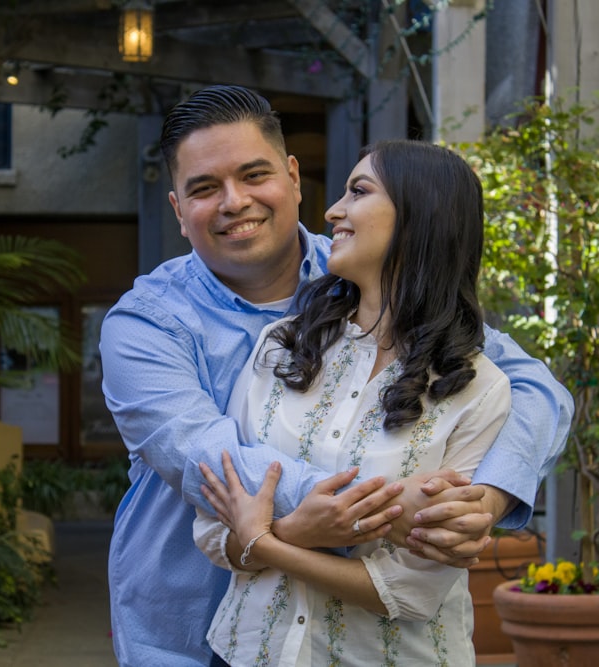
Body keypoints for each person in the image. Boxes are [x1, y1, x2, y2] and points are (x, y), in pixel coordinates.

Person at [99, 85, 573, 667]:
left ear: (294, 178)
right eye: (203, 188)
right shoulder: (147, 322)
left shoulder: (365, 272)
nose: (234, 202)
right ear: (177, 210)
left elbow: (531, 386)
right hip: (185, 625)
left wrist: (483, 502)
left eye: (254, 175)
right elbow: (210, 461)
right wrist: (400, 513)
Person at [195, 138, 509, 665]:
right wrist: (302, 530)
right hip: (245, 653)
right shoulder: (281, 347)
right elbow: (212, 524)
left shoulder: (480, 387)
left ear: (419, 217)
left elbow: (411, 592)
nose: (332, 211)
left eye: (358, 191)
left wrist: (268, 542)